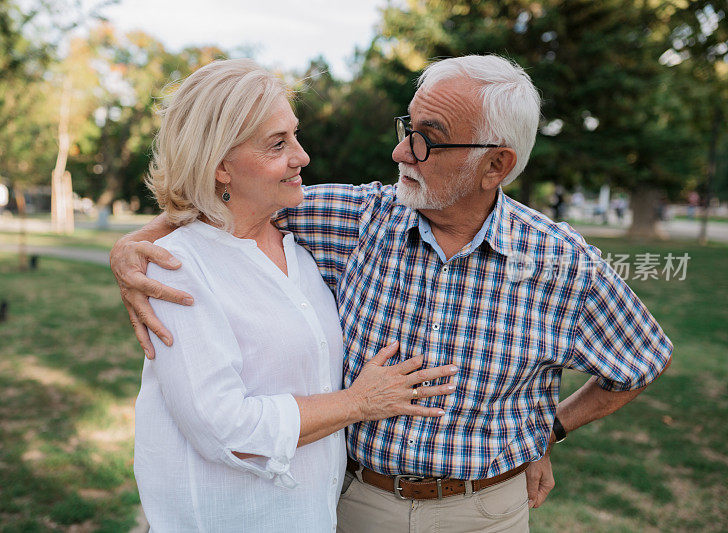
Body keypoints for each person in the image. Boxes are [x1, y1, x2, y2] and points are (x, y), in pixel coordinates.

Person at [113, 55, 673, 532]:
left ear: (495, 165)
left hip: (485, 513)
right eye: (408, 128)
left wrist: (548, 428)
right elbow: (228, 202)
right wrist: (132, 245)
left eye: (428, 140)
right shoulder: (356, 218)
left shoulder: (559, 260)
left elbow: (640, 361)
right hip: (354, 504)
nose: (402, 152)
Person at [131, 59, 459, 532]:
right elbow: (225, 428)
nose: (302, 156)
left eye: (295, 136)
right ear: (220, 165)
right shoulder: (178, 267)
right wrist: (360, 402)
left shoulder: (298, 250)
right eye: (277, 144)